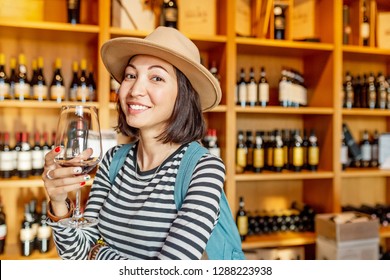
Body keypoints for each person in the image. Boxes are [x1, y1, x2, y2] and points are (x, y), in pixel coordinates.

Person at [42, 26, 225, 260]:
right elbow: (75, 255)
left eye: (157, 77)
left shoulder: (204, 169)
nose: (135, 90)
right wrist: (59, 203)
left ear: (184, 95)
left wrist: (96, 252)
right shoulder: (114, 159)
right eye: (130, 75)